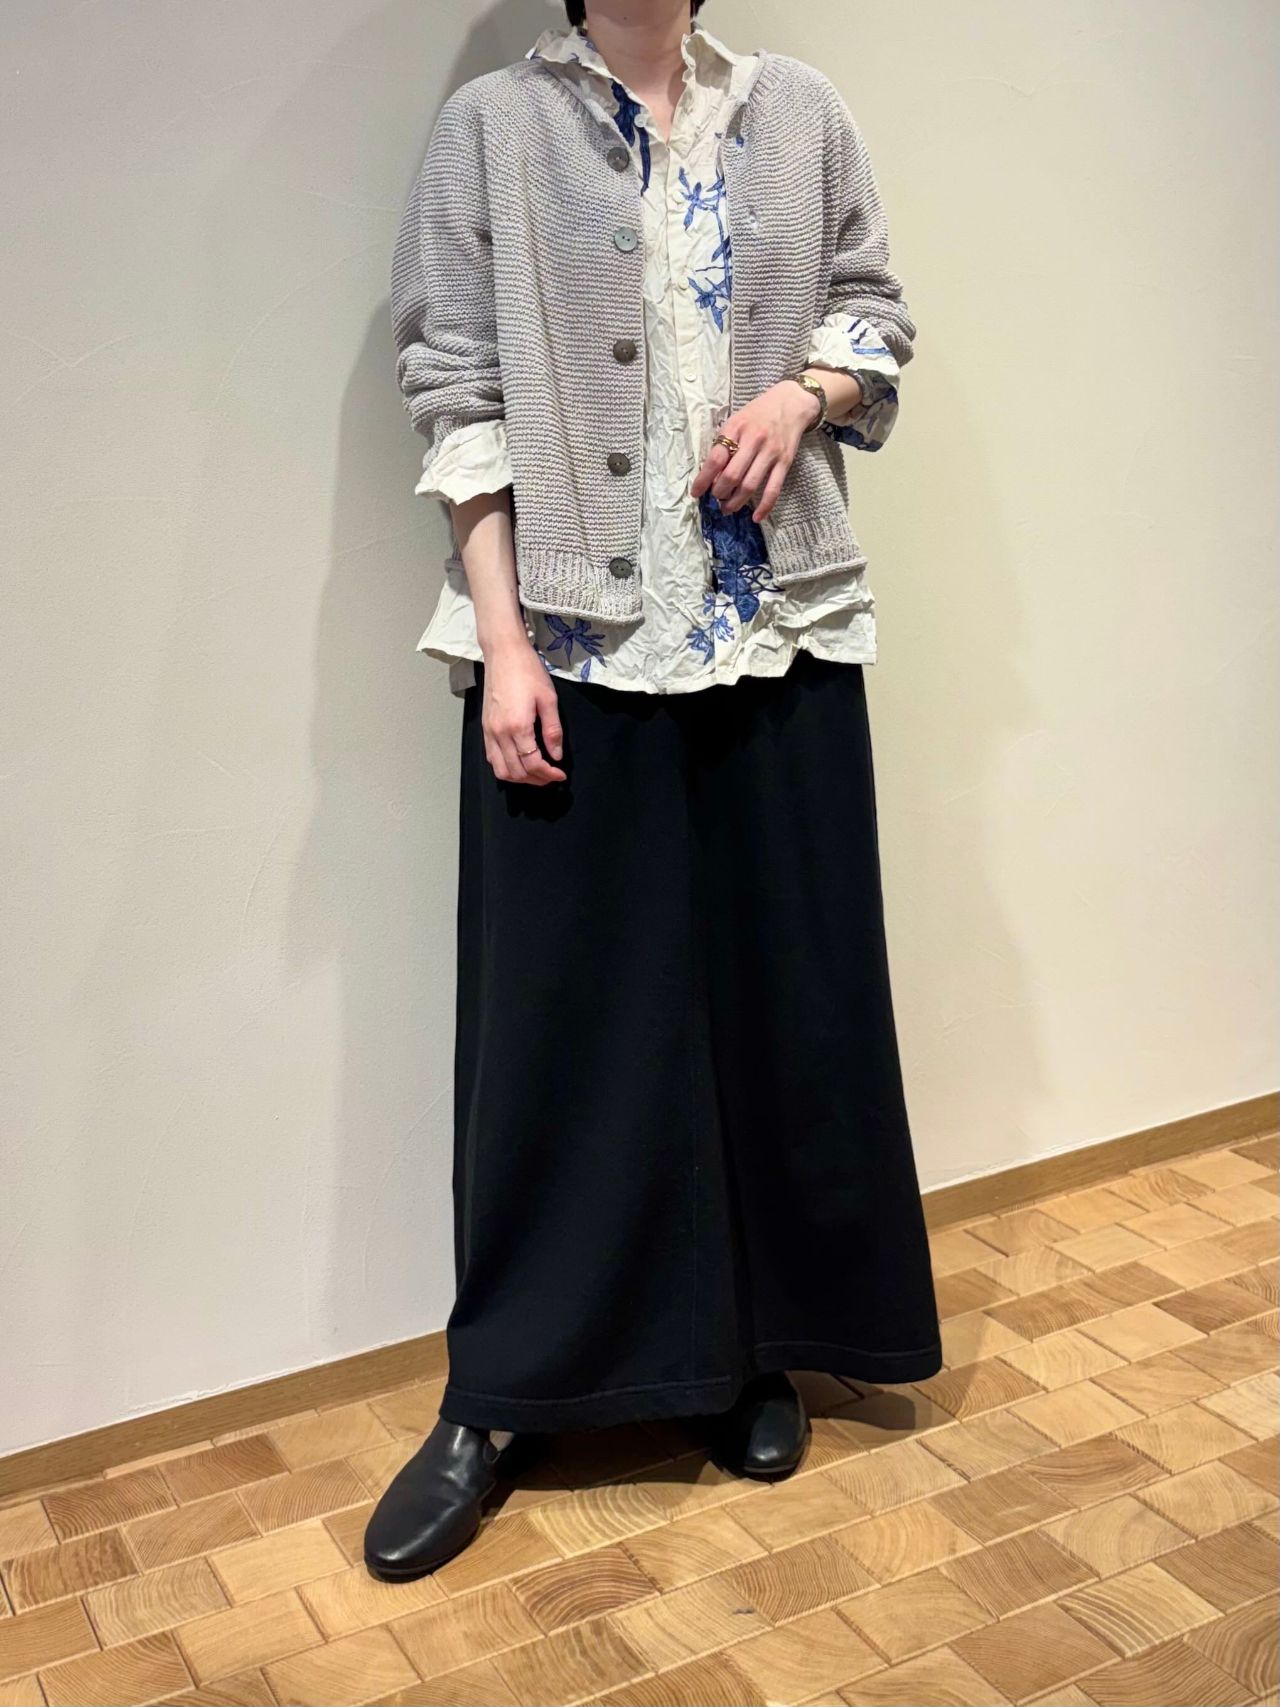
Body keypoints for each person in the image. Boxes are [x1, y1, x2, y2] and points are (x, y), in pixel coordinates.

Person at [364, 0, 942, 1582]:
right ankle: (502, 1396)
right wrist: (504, 642)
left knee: (782, 1003)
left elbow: (874, 309)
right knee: (555, 1028)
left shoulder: (798, 110)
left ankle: (754, 1350)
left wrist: (804, 399)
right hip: (572, 638)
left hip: (776, 624)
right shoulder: (494, 128)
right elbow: (455, 384)